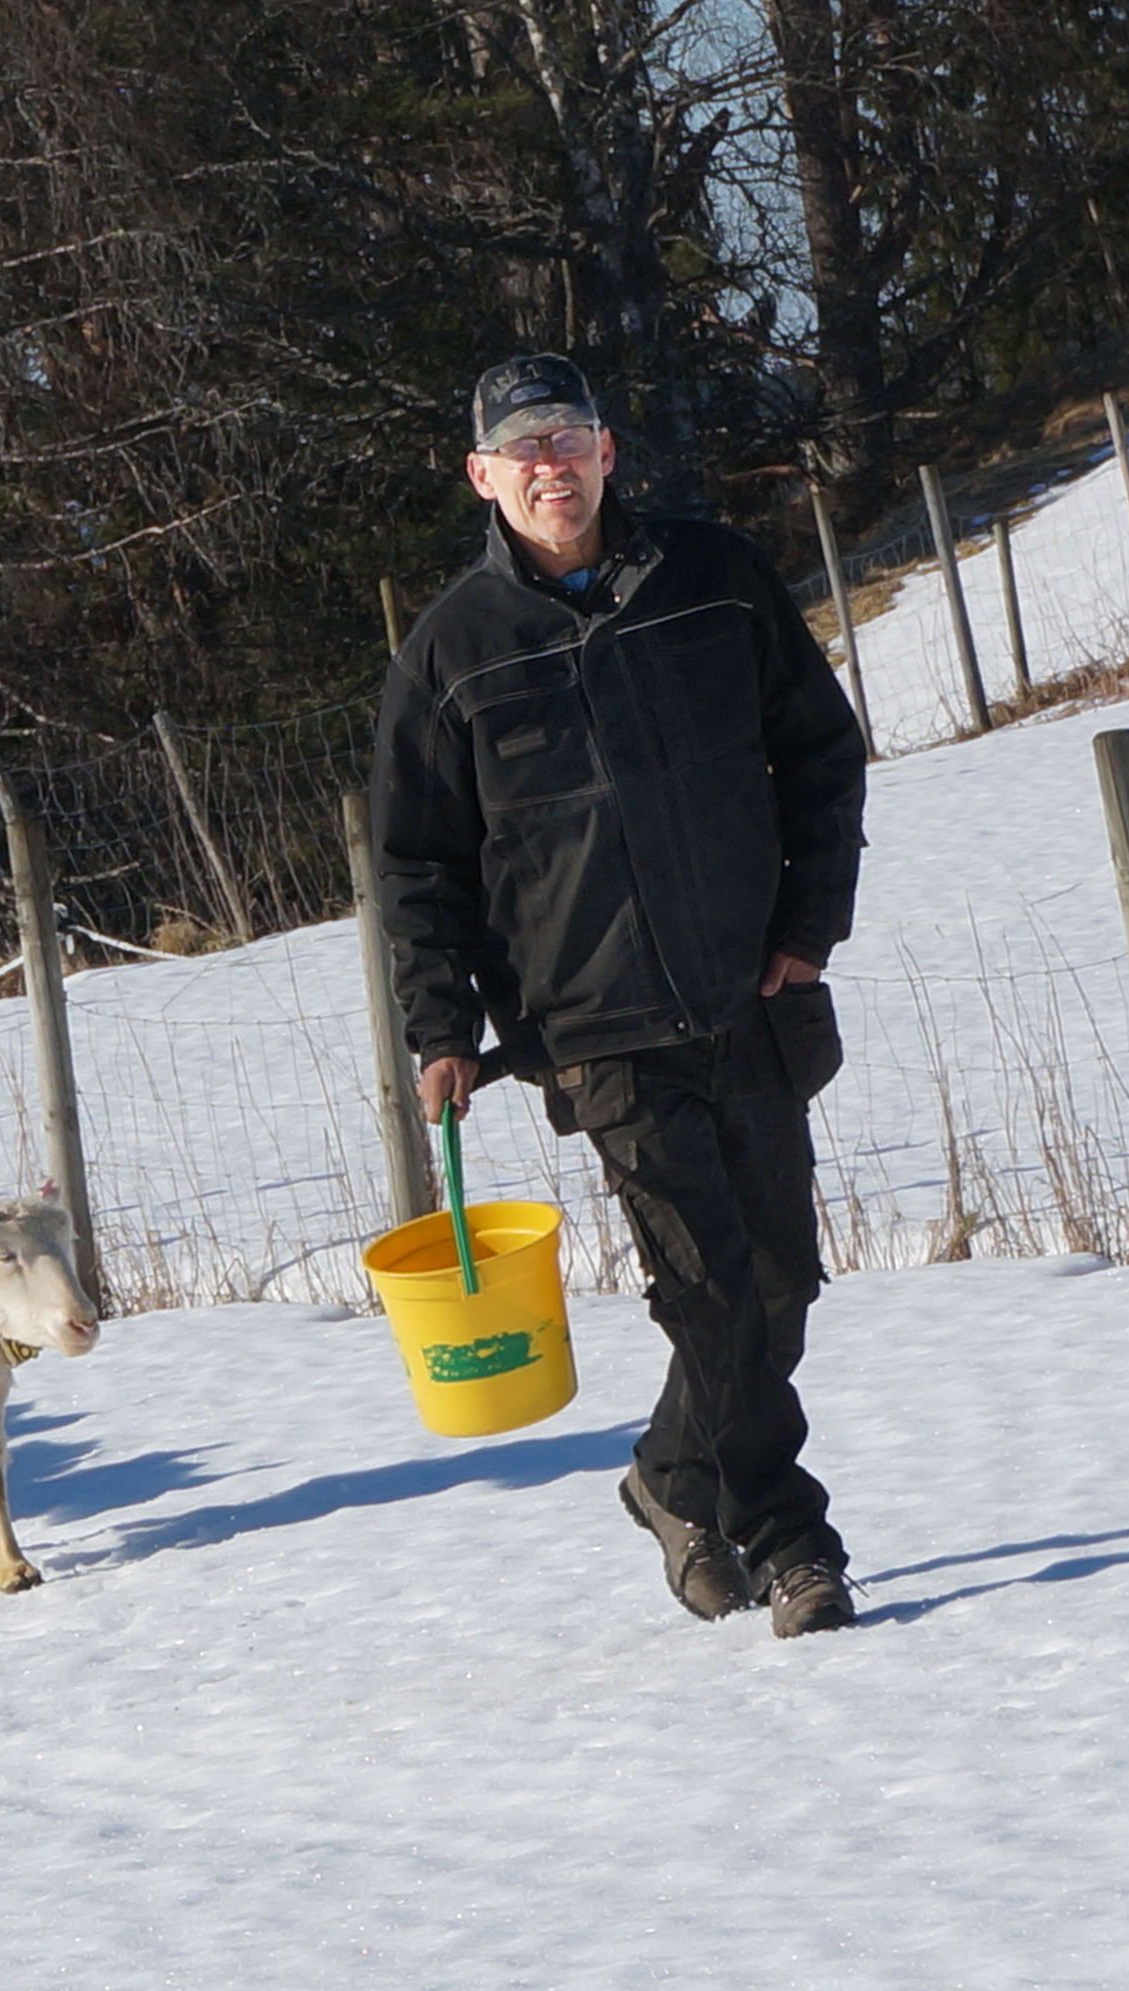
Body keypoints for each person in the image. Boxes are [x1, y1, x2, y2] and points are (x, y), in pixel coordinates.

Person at [369, 354, 870, 1638]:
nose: (551, 465)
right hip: (593, 1030)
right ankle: (790, 1542)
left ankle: (671, 1478)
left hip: (749, 992)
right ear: (483, 477)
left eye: (570, 438)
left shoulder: (712, 580)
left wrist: (806, 931)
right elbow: (417, 867)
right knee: (706, 1291)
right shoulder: (449, 653)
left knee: (778, 1286)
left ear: (606, 454)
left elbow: (820, 751)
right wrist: (440, 1029)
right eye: (521, 447)